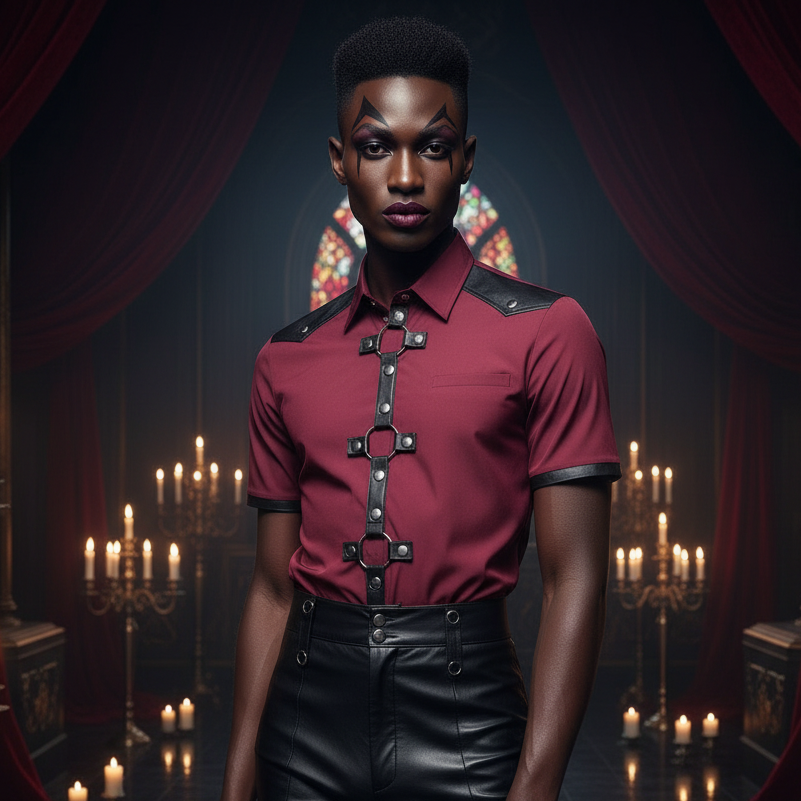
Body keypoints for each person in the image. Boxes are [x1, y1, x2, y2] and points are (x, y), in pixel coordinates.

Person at [221, 16, 620, 801]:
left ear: (464, 161)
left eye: (432, 146)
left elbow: (577, 577)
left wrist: (534, 787)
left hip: (468, 722)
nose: (404, 175)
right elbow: (271, 590)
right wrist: (238, 780)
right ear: (341, 161)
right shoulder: (283, 357)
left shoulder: (548, 331)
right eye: (375, 146)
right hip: (302, 729)